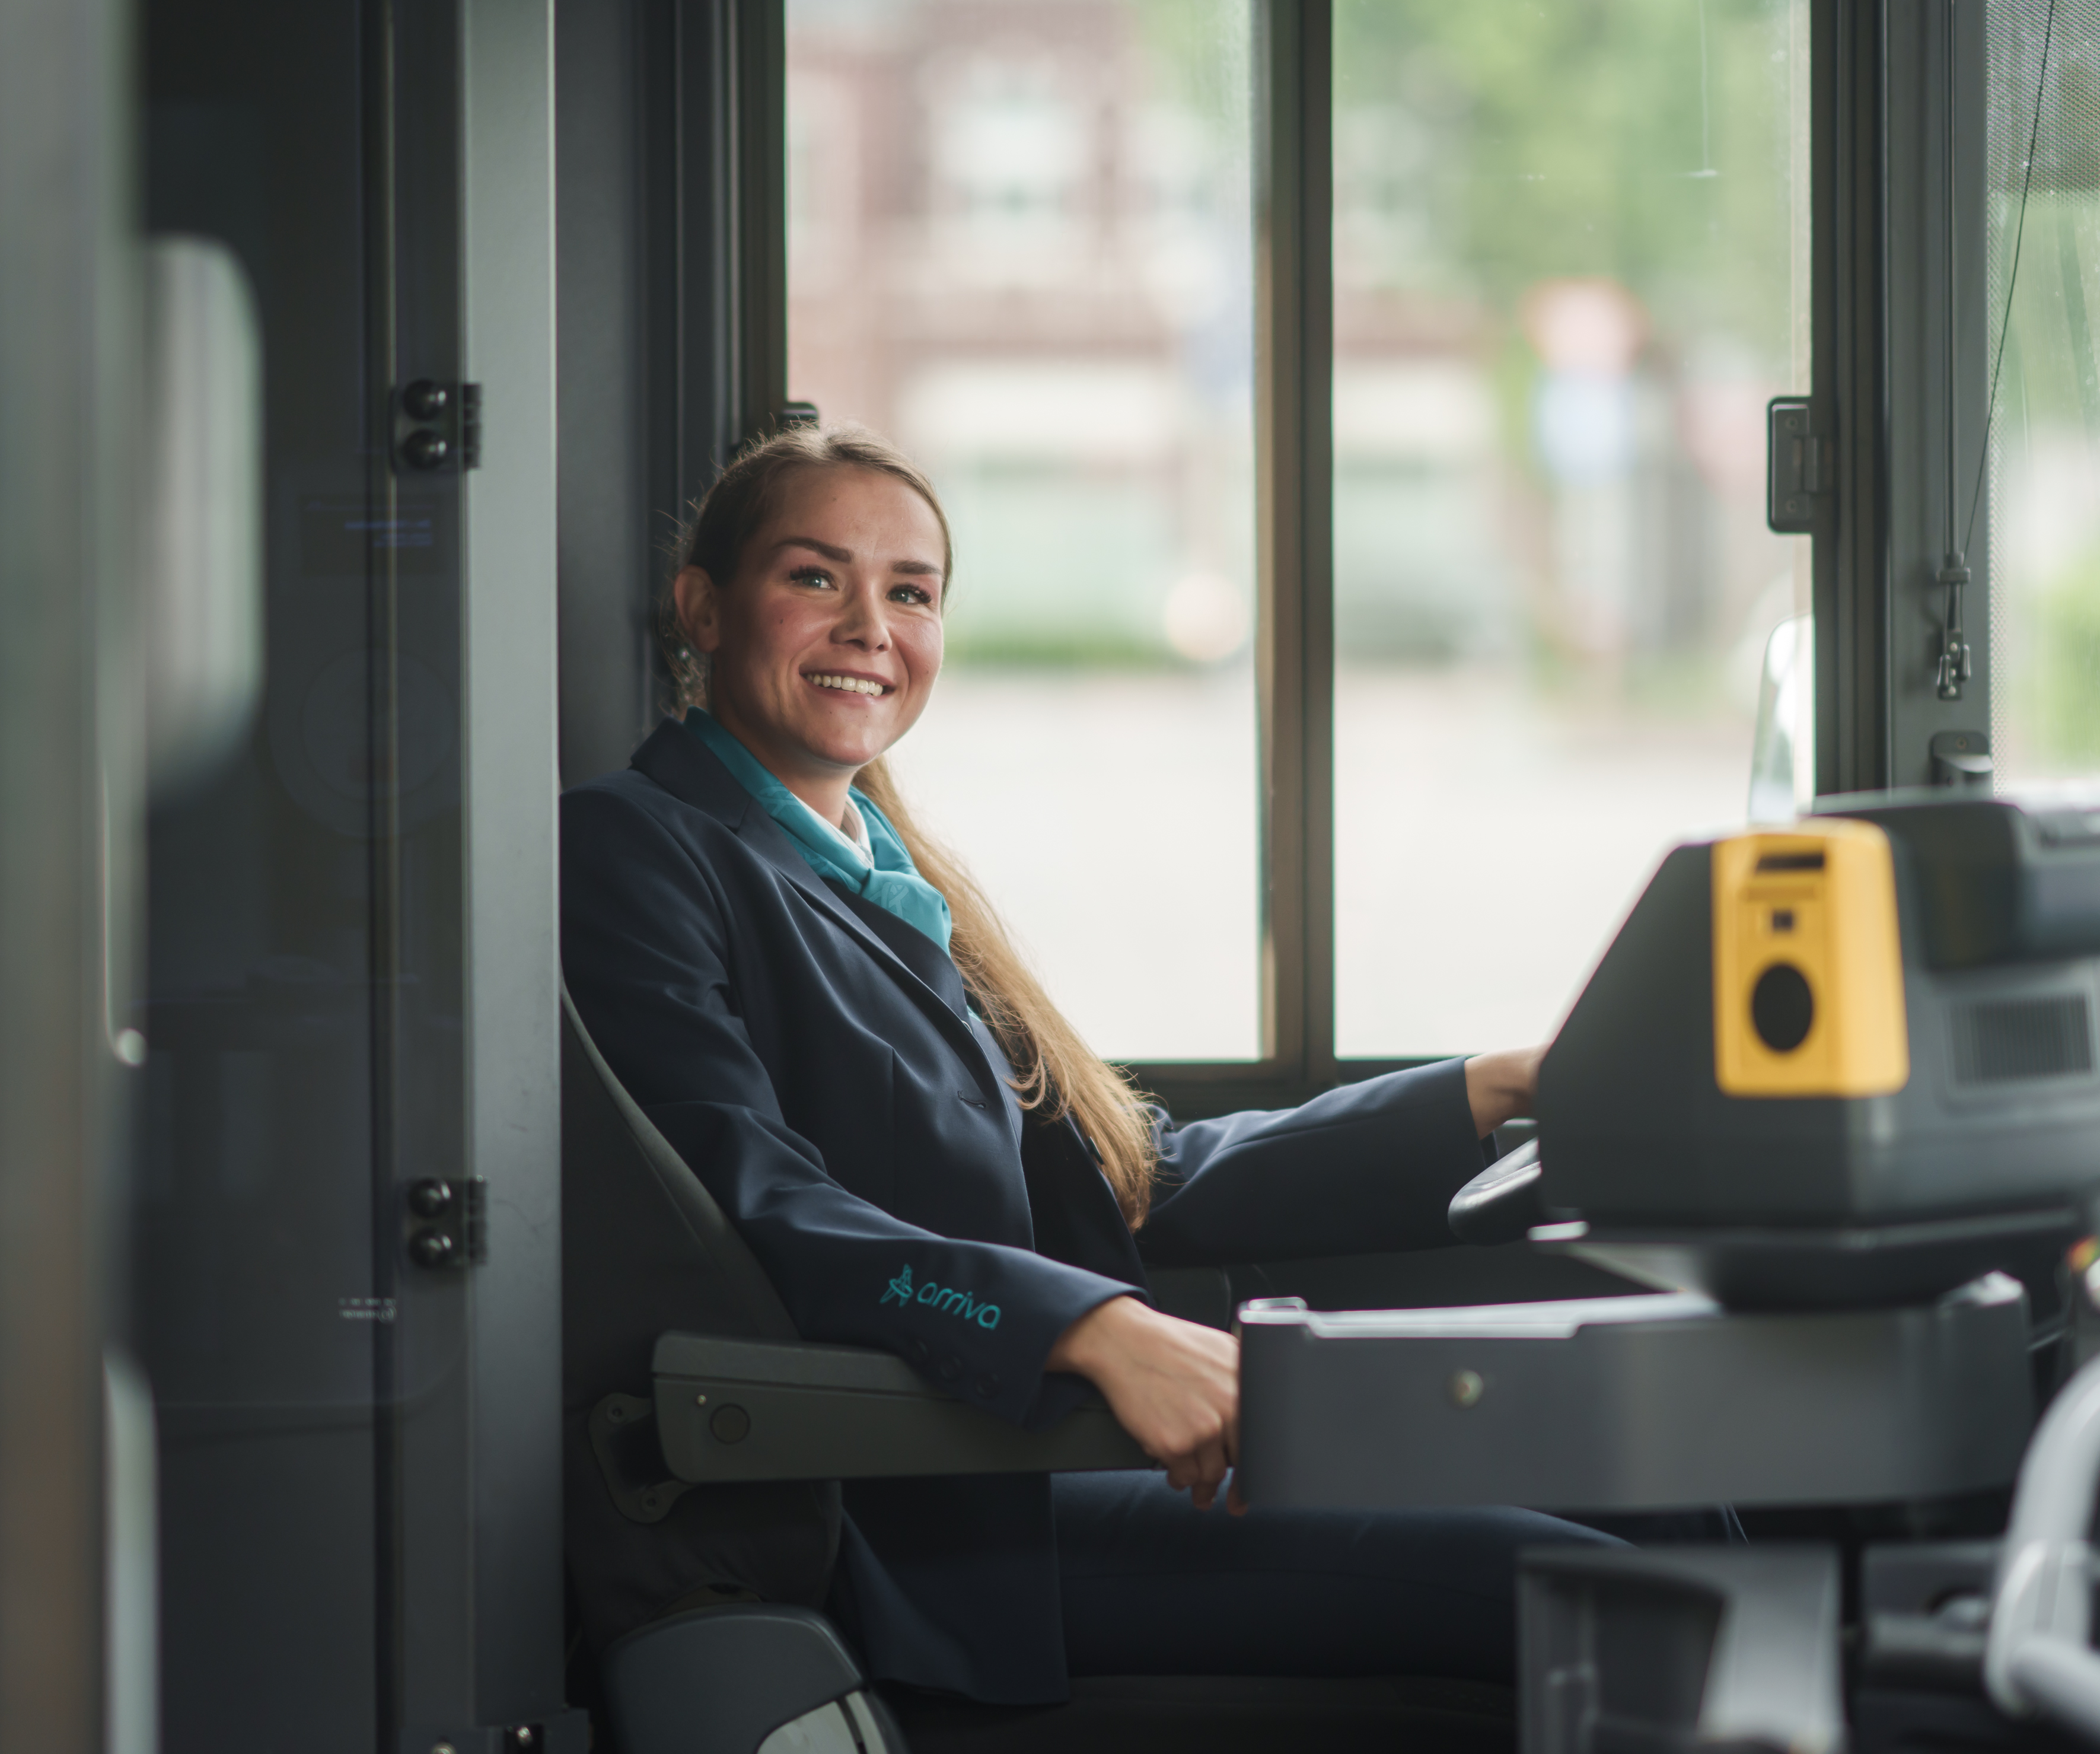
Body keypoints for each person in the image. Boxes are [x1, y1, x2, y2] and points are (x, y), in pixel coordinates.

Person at [561, 424, 1620, 1709]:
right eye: (813, 578)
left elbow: (1133, 1175)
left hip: (1019, 1454)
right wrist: (1092, 1329)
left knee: (1667, 1506)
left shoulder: (888, 882)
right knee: (1583, 1594)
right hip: (923, 1509)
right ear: (701, 608)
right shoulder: (639, 849)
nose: (869, 627)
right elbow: (760, 1209)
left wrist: (1494, 1087)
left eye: (911, 593)